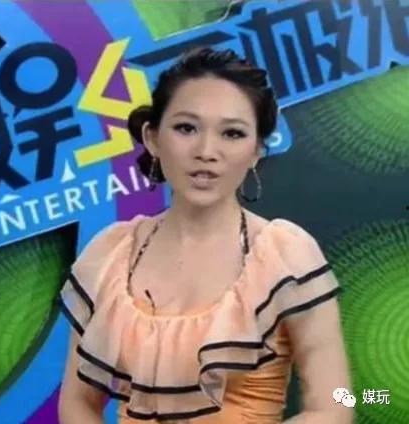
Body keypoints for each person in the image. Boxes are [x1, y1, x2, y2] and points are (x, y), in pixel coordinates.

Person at [57, 47, 352, 423]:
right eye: (186, 128)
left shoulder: (285, 255)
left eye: (232, 133)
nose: (206, 151)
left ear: (257, 150)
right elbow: (78, 402)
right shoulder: (111, 253)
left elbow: (337, 402)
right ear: (152, 138)